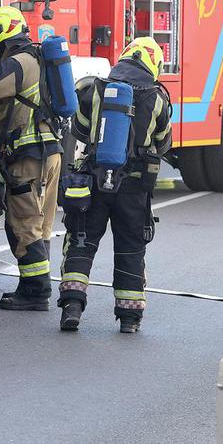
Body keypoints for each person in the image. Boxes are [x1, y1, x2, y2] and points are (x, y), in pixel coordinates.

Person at [57, 37, 172, 334]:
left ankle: (72, 306)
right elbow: (163, 143)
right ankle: (129, 319)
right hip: (134, 189)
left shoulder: (96, 88)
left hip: (94, 182)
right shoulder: (157, 99)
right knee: (130, 249)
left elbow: (79, 129)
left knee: (81, 241)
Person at [0, 6, 63, 311]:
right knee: (40, 226)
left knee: (24, 225)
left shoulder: (18, 61)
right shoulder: (35, 58)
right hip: (48, 153)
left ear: (1, 34)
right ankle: (33, 285)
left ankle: (35, 292)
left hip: (29, 156)